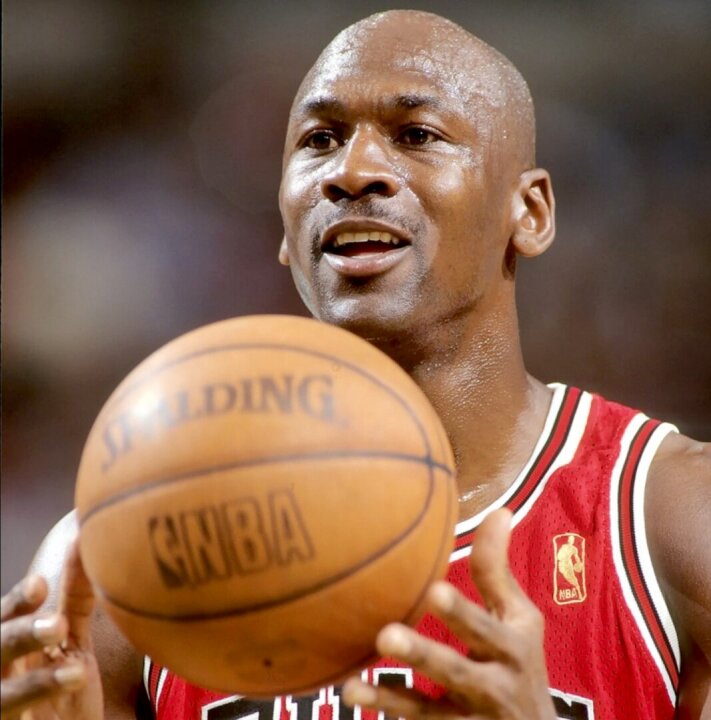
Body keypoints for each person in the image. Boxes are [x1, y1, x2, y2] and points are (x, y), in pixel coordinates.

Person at [2, 9, 709, 720]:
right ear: (285, 229)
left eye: (415, 135)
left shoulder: (675, 518)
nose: (352, 171)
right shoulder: (124, 560)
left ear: (529, 212)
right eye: (320, 140)